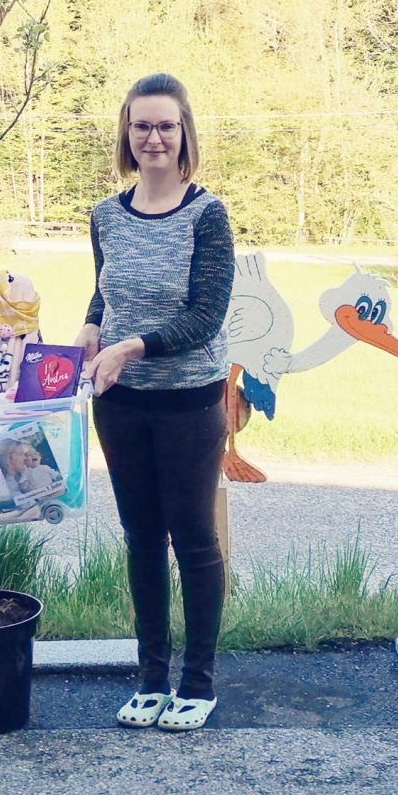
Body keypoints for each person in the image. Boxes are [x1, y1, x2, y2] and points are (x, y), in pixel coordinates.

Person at [75, 73, 234, 733]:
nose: (153, 137)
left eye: (166, 125)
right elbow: (105, 290)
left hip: (189, 403)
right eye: (141, 125)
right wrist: (91, 329)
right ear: (126, 133)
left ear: (184, 132)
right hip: (119, 402)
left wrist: (130, 347)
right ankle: (150, 679)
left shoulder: (207, 215)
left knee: (192, 537)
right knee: (140, 537)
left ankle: (197, 682)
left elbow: (206, 315)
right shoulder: (105, 216)